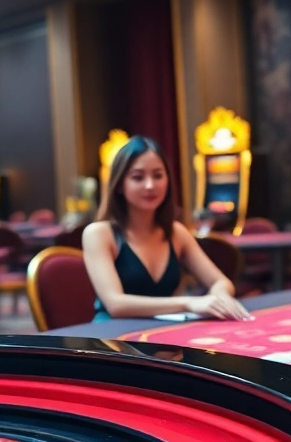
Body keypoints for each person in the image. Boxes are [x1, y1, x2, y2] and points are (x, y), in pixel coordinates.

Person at [84, 135, 253, 322]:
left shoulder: (176, 233)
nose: (150, 185)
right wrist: (189, 303)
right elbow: (116, 305)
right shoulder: (98, 234)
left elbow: (221, 281)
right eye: (138, 177)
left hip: (162, 330)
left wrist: (219, 297)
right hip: (111, 334)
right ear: (119, 185)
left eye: (158, 176)